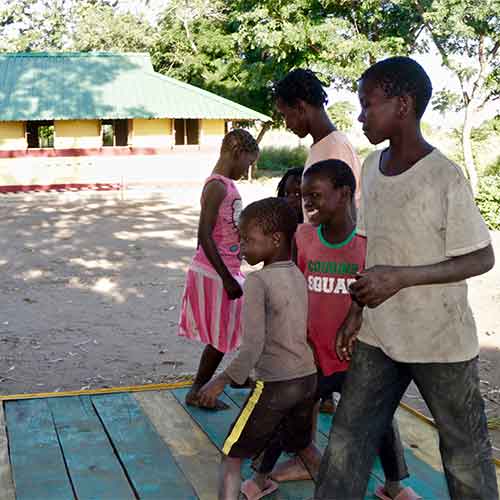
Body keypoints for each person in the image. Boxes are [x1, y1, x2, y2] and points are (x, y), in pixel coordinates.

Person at [315, 56, 498, 500]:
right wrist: (355, 311)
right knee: (346, 441)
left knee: (464, 453)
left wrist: (400, 278)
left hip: (440, 342)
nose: (359, 116)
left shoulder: (443, 176)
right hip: (380, 336)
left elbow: (481, 257)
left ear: (403, 104)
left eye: (367, 104)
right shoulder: (371, 170)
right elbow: (372, 251)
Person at [258, 160, 418, 500]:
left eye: (315, 195)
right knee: (287, 410)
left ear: (345, 194)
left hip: (359, 356)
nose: (307, 203)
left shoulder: (369, 243)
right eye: (304, 196)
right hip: (312, 354)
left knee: (381, 421)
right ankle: (260, 477)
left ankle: (393, 487)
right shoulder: (302, 238)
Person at [198, 197, 318, 500]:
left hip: (276, 384)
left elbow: (252, 347)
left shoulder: (258, 282)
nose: (242, 247)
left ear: (276, 240)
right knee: (296, 445)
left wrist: (221, 380)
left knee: (231, 454)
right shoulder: (297, 274)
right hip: (307, 380)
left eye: (249, 240)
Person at [178, 128, 259, 410]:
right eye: (248, 163)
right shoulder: (217, 186)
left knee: (234, 327)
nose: (247, 169)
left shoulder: (224, 184)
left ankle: (237, 377)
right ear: (237, 154)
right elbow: (204, 234)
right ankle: (197, 390)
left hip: (226, 268)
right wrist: (226, 278)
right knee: (221, 337)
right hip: (217, 272)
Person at [272, 68, 362, 209]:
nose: (287, 124)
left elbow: (342, 215)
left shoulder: (335, 148)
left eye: (285, 115)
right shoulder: (322, 145)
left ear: (300, 108)